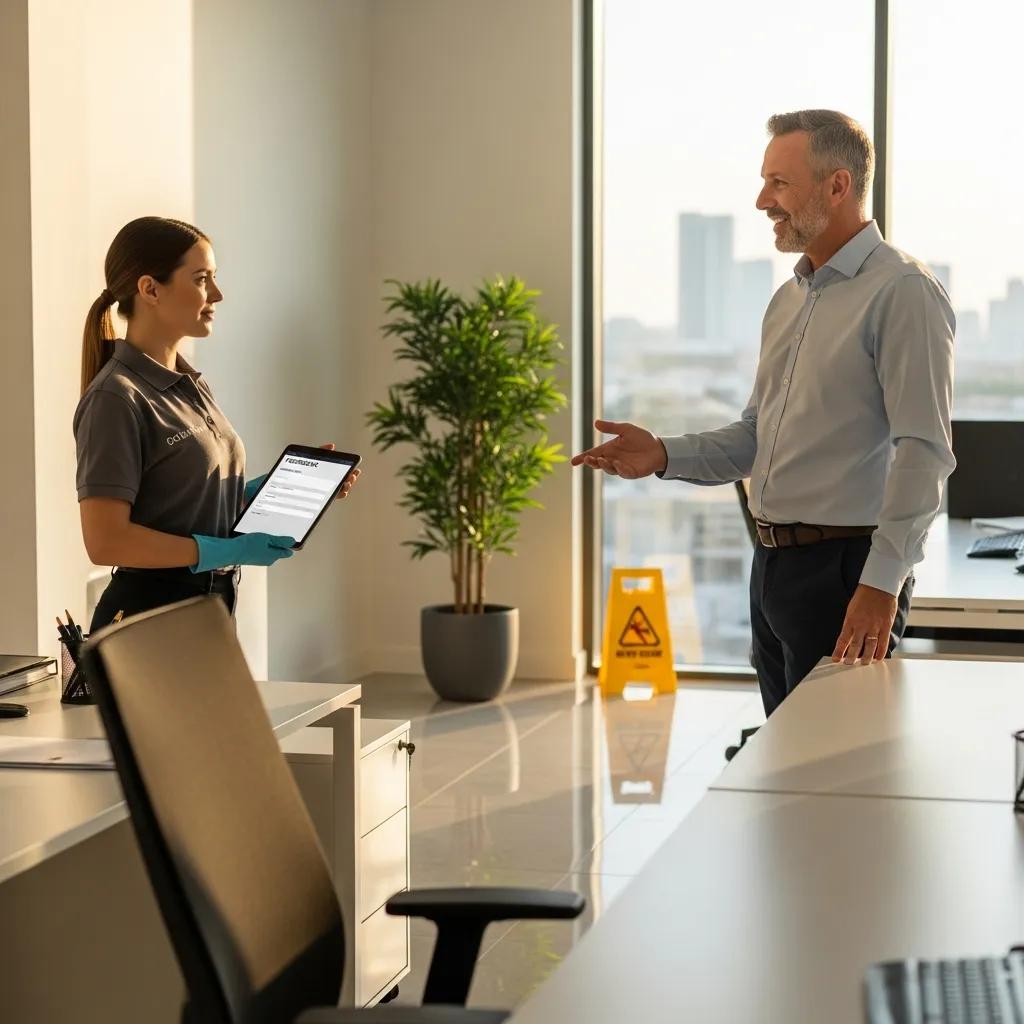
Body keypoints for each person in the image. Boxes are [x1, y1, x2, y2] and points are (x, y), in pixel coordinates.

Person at [573, 109, 955, 717]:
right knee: (785, 769)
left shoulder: (902, 291)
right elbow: (757, 435)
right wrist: (663, 454)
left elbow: (924, 450)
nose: (761, 201)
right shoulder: (788, 300)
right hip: (773, 565)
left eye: (779, 183)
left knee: (836, 773)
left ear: (838, 186)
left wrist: (881, 585)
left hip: (847, 573)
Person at [75, 216, 360, 632]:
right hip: (150, 620)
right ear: (150, 289)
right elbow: (106, 541)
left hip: (206, 607)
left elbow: (182, 502)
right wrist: (223, 550)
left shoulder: (190, 384)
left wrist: (257, 493)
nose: (218, 294)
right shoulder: (115, 397)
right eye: (202, 279)